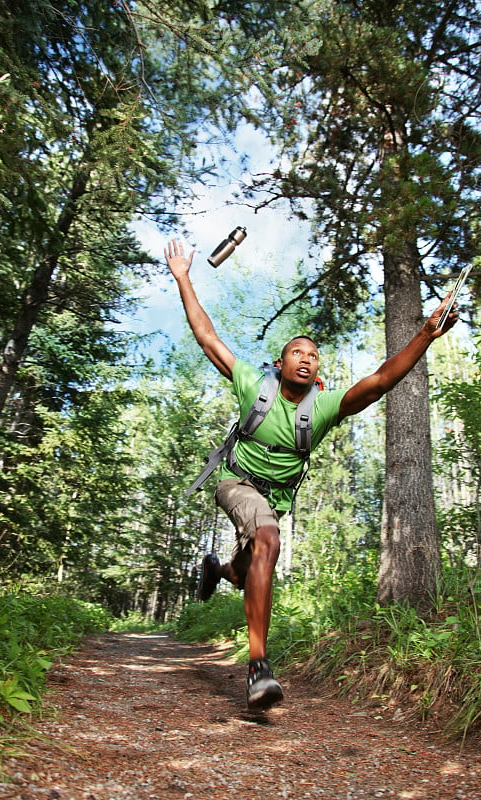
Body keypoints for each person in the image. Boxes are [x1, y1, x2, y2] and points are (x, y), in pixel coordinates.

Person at [165, 238, 459, 710]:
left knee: (247, 572)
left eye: (314, 354)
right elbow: (207, 337)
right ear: (279, 364)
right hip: (235, 483)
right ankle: (258, 668)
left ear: (317, 371)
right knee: (269, 539)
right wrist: (182, 275)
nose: (306, 357)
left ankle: (219, 569)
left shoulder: (321, 407)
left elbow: (381, 381)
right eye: (297, 352)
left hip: (274, 499)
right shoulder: (252, 384)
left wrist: (426, 332)